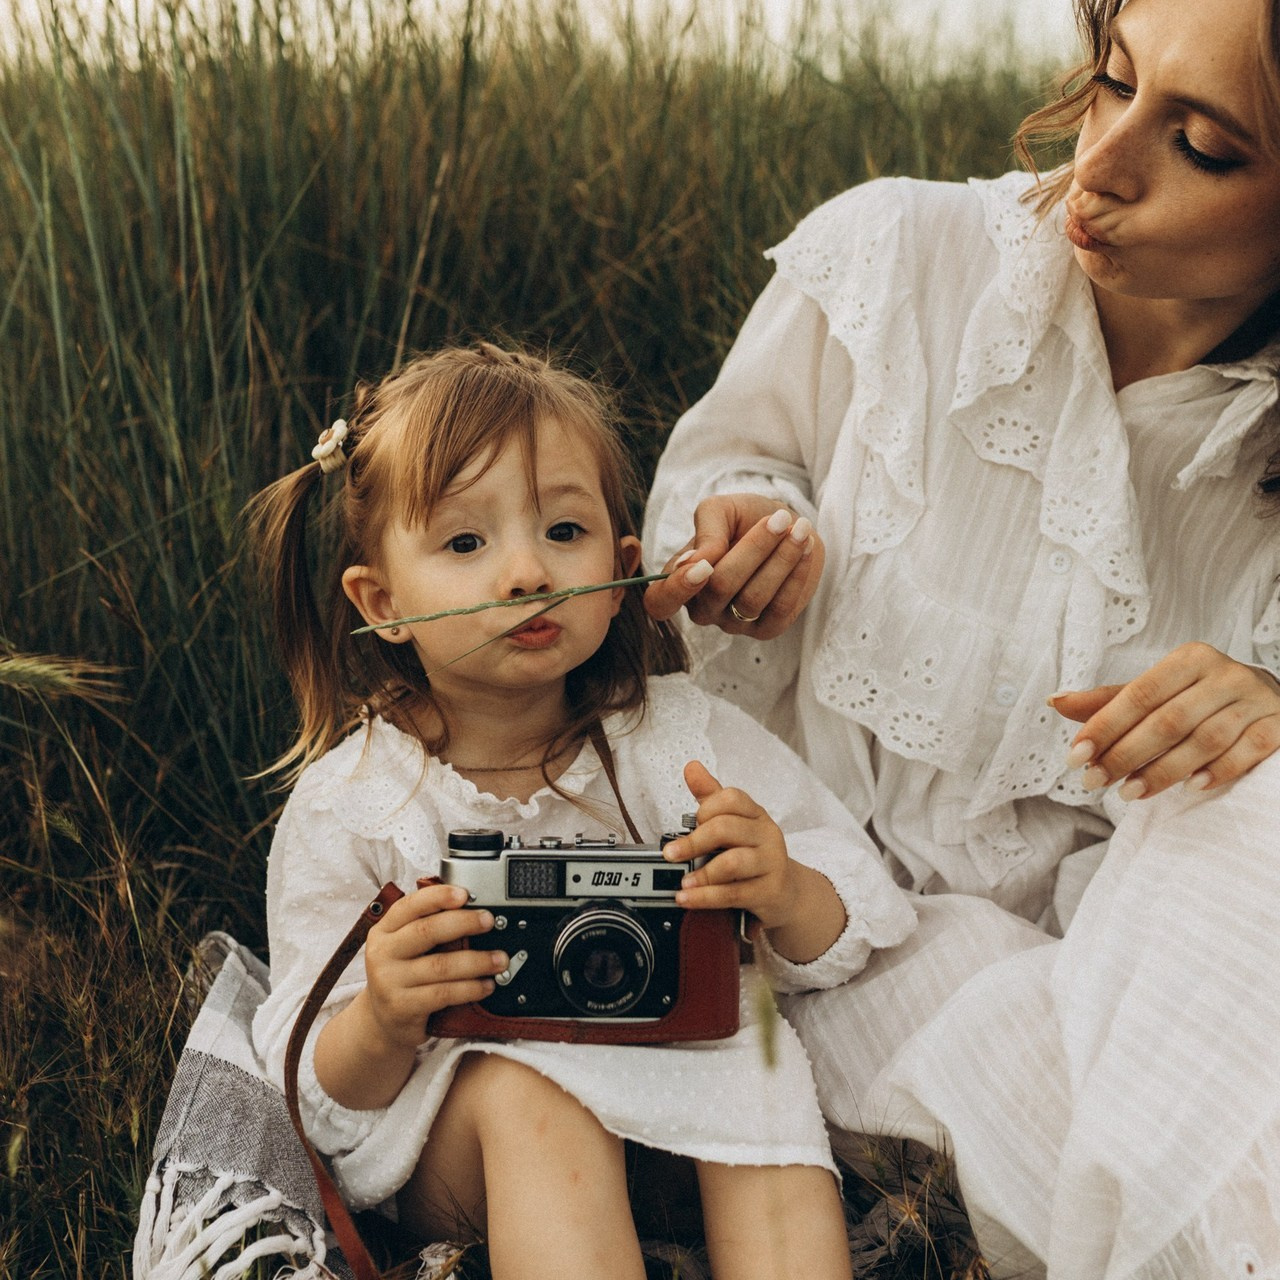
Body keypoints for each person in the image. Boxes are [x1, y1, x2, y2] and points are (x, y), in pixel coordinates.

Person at [641, 0, 1280, 1273]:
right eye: (1109, 82)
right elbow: (721, 464)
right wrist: (748, 527)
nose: (1095, 163)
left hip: (1131, 977)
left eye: (1201, 145)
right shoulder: (900, 258)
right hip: (823, 930)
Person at [245, 342, 917, 1280]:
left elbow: (856, 901)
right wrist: (386, 1015)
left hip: (687, 1102)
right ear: (382, 602)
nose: (527, 572)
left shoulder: (675, 740)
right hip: (467, 1134)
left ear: (624, 566)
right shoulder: (357, 802)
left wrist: (781, 886)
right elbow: (310, 1090)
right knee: (528, 1092)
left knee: (758, 1052)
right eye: (466, 543)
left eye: (564, 532)